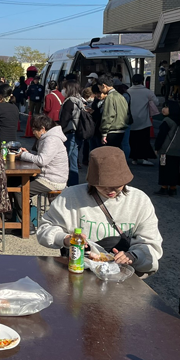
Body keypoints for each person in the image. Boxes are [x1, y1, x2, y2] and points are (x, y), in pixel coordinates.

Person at [37, 147, 163, 275]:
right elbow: (45, 228)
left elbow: (151, 243)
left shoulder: (139, 200)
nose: (111, 191)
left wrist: (133, 256)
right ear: (92, 182)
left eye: (117, 185)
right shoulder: (71, 196)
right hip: (80, 268)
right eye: (103, 186)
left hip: (123, 272)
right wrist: (64, 239)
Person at [15, 114, 68, 227]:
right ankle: (18, 217)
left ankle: (26, 225)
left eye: (34, 130)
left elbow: (42, 160)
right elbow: (43, 157)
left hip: (52, 180)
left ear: (43, 129)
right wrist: (29, 154)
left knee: (19, 191)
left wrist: (24, 155)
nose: (33, 133)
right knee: (15, 181)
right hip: (48, 176)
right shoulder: (49, 138)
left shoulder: (51, 140)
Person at [59, 81, 86, 186]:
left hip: (70, 133)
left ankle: (70, 184)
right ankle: (73, 184)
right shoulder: (80, 100)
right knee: (73, 161)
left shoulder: (69, 102)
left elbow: (64, 119)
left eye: (64, 88)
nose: (63, 90)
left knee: (67, 160)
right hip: (78, 133)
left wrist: (59, 129)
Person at [128, 73, 159, 166]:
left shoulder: (128, 91)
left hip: (131, 120)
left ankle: (134, 158)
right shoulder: (147, 92)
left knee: (132, 140)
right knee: (144, 140)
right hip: (144, 120)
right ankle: (144, 158)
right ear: (143, 81)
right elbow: (156, 102)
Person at [154, 101, 180, 196]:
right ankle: (173, 188)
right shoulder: (177, 120)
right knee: (175, 169)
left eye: (166, 107)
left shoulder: (167, 121)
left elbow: (161, 136)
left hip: (166, 150)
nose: (163, 109)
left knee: (164, 168)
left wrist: (157, 147)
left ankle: (164, 187)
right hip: (177, 150)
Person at [98, 74, 130, 149]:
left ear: (104, 86)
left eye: (99, 87)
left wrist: (104, 133)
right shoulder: (120, 96)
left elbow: (108, 116)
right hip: (122, 129)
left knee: (110, 155)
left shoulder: (110, 97)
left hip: (112, 131)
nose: (100, 90)